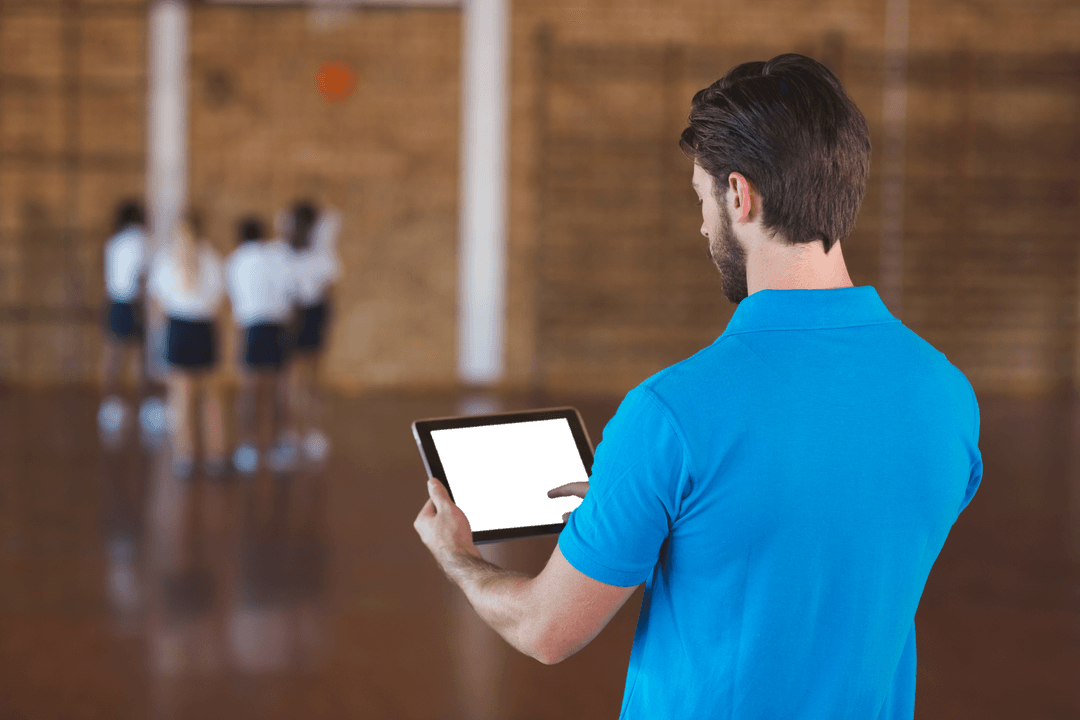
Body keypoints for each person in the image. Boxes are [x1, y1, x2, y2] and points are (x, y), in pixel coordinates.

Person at [413, 53, 984, 718]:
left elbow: (547, 630)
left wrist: (459, 558)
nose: (702, 223)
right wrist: (658, 502)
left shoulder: (669, 415)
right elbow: (829, 527)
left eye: (702, 199)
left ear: (739, 196)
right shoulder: (947, 394)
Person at [147, 210, 228, 479]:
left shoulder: (166, 259)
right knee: (211, 398)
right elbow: (218, 305)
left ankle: (185, 456)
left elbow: (158, 304)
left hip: (178, 328)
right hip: (203, 328)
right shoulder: (213, 259)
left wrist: (160, 336)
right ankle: (216, 455)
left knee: (180, 397)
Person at [226, 217, 298, 475]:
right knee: (278, 389)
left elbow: (235, 300)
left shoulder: (236, 260)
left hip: (250, 327)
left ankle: (248, 446)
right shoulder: (276, 257)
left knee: (249, 389)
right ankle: (279, 444)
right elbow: (291, 293)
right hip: (277, 326)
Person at [283, 201, 341, 463]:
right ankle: (304, 432)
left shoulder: (298, 253)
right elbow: (330, 293)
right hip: (309, 312)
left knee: (299, 379)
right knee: (309, 378)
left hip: (299, 312)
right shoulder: (320, 255)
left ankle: (301, 432)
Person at [98, 200, 149, 433]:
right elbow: (142, 276)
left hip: (114, 301)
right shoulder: (142, 241)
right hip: (135, 303)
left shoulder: (113, 242)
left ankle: (110, 407)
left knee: (113, 356)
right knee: (139, 357)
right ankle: (141, 408)